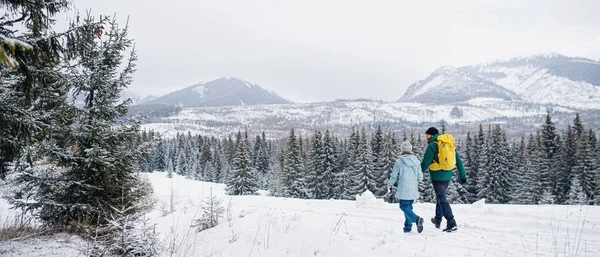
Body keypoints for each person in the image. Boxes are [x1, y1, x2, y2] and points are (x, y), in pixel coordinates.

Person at [421, 127, 467, 232]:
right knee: (440, 197)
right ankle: (437, 219)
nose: (426, 138)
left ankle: (451, 222)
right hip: (447, 175)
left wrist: (417, 173)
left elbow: (425, 163)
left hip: (437, 176)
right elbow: (459, 161)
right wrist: (463, 176)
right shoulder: (447, 144)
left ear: (431, 136)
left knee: (442, 199)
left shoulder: (432, 146)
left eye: (427, 136)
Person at [387, 141, 424, 233]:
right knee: (409, 207)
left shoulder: (399, 162)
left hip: (404, 187)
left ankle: (417, 219)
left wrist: (390, 184)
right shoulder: (417, 162)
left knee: (403, 206)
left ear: (402, 150)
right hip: (413, 188)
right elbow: (420, 177)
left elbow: (394, 176)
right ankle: (407, 227)